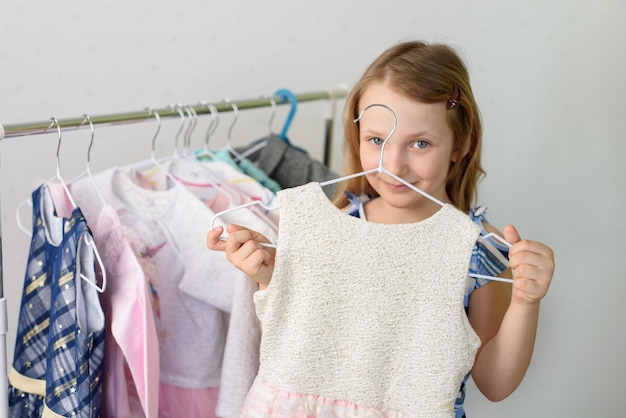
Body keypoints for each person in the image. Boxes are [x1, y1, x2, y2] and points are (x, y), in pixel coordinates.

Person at [207, 40, 555, 417]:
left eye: (420, 143)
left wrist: (525, 303)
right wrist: (268, 278)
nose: (394, 165)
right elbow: (297, 345)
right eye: (376, 140)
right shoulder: (337, 224)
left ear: (460, 145)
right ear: (357, 136)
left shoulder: (476, 250)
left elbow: (495, 384)